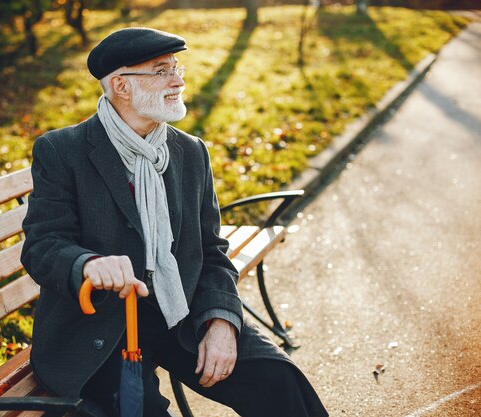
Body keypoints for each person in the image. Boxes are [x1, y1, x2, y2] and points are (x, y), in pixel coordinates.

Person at [21, 27, 328, 417]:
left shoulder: (189, 151)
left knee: (278, 380)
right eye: (162, 70)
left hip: (178, 307)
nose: (178, 81)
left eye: (177, 68)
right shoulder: (63, 150)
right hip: (101, 327)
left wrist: (221, 320)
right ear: (121, 85)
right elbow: (43, 245)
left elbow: (212, 252)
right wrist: (88, 264)